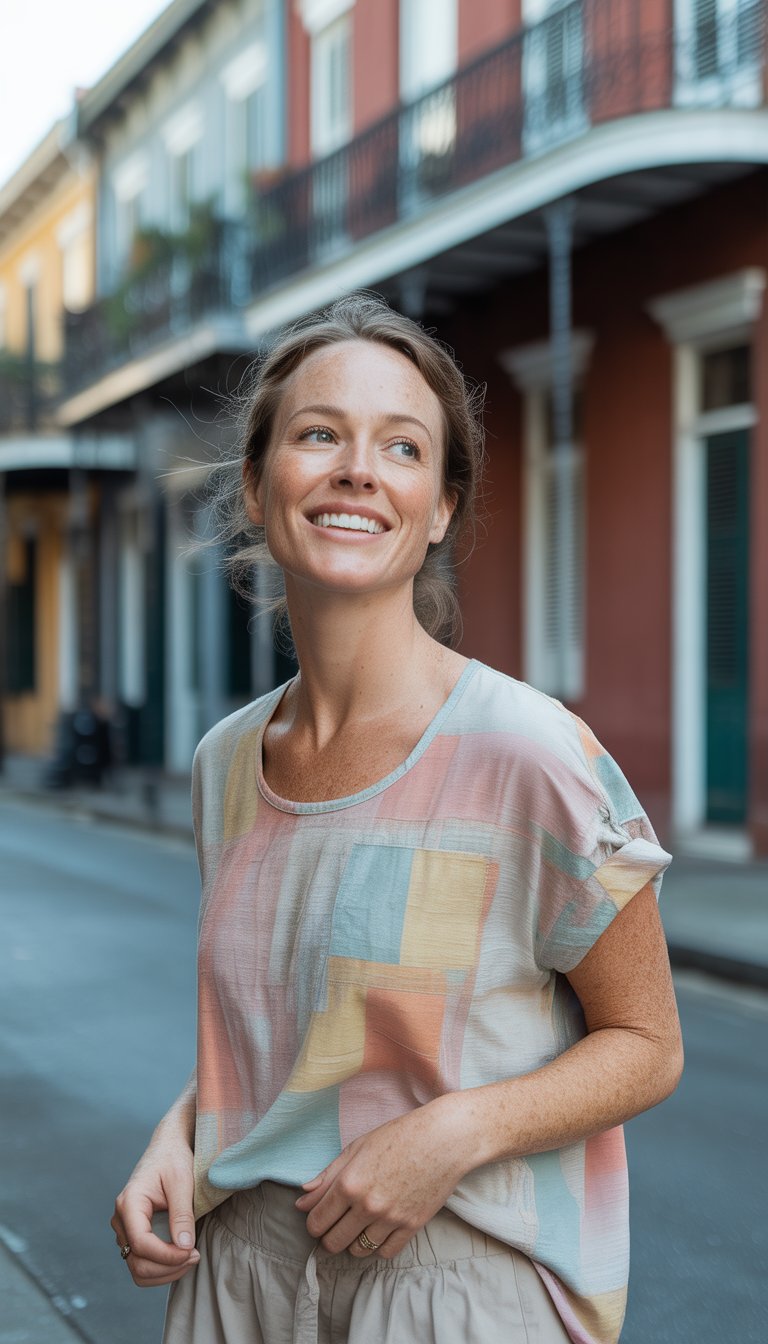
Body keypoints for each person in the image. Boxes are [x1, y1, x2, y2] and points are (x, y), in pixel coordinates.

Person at [111, 293, 683, 1344]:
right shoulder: (224, 763)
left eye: (402, 447)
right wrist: (182, 1132)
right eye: (319, 434)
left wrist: (454, 1134)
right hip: (237, 1277)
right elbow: (301, 1028)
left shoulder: (532, 752)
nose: (356, 470)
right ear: (256, 482)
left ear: (440, 508)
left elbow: (648, 1043)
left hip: (451, 1282)